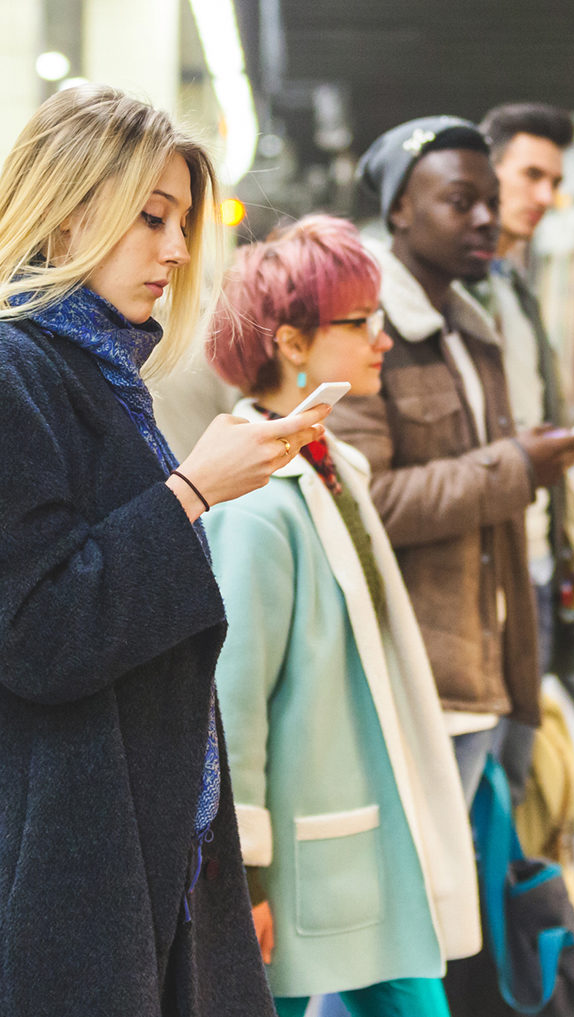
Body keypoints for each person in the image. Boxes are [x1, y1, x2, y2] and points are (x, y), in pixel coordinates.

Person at [0, 85, 331, 1017]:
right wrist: (191, 491)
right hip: (70, 855)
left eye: (182, 222)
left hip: (144, 842)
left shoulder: (103, 369)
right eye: (153, 219)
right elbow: (37, 631)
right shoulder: (15, 371)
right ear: (66, 215)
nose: (178, 251)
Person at [205, 215, 481, 1017]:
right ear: (291, 344)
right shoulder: (256, 506)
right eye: (358, 322)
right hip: (300, 859)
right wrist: (244, 874)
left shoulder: (327, 464)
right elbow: (233, 700)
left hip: (353, 838)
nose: (382, 338)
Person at [330, 116, 574, 806]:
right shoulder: (363, 329)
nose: (485, 219)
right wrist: (519, 468)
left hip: (487, 670)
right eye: (459, 201)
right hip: (420, 688)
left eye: (490, 203)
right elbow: (365, 503)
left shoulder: (471, 332)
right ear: (400, 210)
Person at [468, 103, 574, 803]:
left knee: (512, 779)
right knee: (485, 782)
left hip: (537, 563)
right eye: (531, 175)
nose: (545, 196)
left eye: (555, 180)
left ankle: (500, 904)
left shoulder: (515, 288)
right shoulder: (453, 293)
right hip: (488, 575)